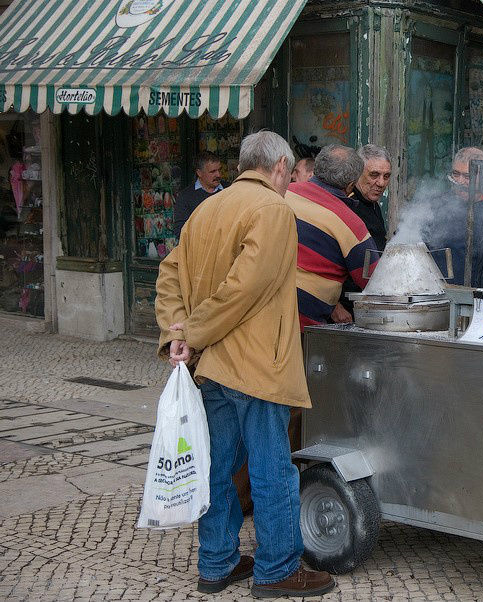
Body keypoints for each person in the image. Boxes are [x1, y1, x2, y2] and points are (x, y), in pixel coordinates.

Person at [154, 131, 335, 598]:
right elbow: (244, 288)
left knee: (217, 468)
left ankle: (217, 564)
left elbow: (169, 275)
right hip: (257, 366)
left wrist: (178, 332)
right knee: (272, 470)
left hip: (214, 366)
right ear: (278, 167)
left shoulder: (205, 210)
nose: (290, 183)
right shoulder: (273, 209)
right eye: (290, 175)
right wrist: (188, 334)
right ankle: (277, 571)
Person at [285, 144, 378, 328]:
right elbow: (376, 282)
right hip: (304, 326)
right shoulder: (352, 224)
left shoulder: (285, 192)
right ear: (351, 184)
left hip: (264, 314)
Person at [423, 147, 483, 288]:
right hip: (438, 299)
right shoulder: (433, 208)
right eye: (456, 174)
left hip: (482, 303)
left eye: (468, 176)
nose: (460, 181)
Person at [334, 144, 392, 321]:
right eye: (374, 175)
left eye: (386, 176)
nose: (381, 183)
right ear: (358, 173)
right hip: (345, 305)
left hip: (367, 301)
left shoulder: (372, 203)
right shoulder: (346, 204)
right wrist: (333, 306)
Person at [173, 151, 224, 239]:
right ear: (199, 173)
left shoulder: (231, 189)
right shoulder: (185, 197)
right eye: (213, 171)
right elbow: (180, 232)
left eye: (219, 170)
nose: (218, 175)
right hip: (200, 250)